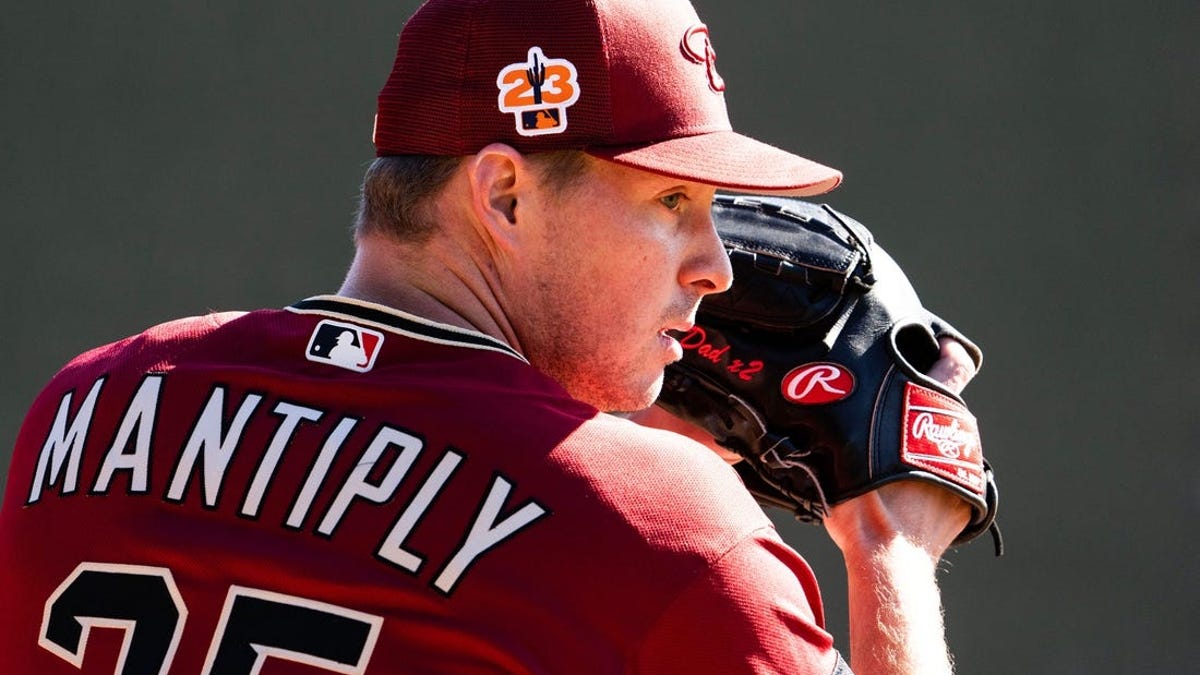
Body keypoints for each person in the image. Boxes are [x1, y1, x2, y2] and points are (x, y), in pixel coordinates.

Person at [0, 0, 978, 672]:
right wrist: (888, 546)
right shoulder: (673, 535)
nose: (715, 264)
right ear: (504, 192)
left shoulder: (90, 410)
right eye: (674, 200)